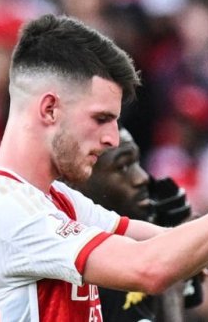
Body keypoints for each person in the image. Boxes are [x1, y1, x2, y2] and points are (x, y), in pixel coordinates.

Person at [0, 13, 208, 320]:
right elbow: (150, 268)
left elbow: (164, 242)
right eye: (101, 119)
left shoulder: (57, 199)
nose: (112, 139)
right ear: (50, 109)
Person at [68, 127, 198, 322]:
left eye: (138, 162)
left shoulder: (143, 244)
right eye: (123, 167)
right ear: (72, 183)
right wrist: (171, 284)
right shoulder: (75, 273)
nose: (142, 178)